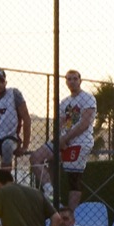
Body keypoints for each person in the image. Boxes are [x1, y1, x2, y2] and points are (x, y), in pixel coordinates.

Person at [32, 70, 97, 210]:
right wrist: (59, 139)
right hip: (63, 140)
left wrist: (65, 138)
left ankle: (70, 215)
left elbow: (84, 124)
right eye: (69, 79)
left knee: (73, 178)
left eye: (75, 78)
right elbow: (60, 124)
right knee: (36, 158)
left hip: (80, 141)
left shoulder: (87, 98)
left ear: (80, 80)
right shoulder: (64, 102)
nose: (72, 81)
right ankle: (51, 192)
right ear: (66, 81)